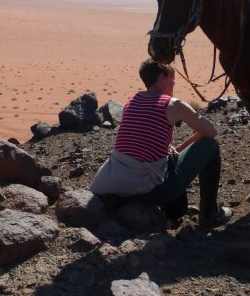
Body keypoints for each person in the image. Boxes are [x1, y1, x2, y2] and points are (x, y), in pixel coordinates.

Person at [90, 59, 231, 227]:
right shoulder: (173, 105)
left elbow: (141, 144)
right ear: (161, 77)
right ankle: (209, 214)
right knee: (210, 146)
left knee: (169, 157)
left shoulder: (132, 101)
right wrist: (194, 129)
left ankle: (170, 213)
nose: (173, 84)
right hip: (147, 190)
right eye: (172, 78)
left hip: (114, 184)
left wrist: (177, 147)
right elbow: (211, 132)